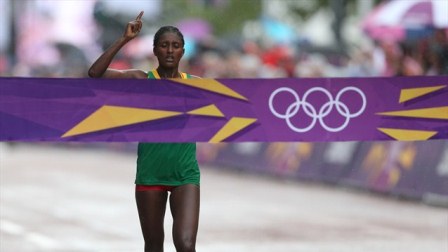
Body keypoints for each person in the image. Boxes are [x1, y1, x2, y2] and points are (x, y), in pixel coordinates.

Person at [88, 11, 200, 252]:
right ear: (155, 51)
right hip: (151, 174)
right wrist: (124, 39)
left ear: (183, 51)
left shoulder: (197, 85)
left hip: (186, 175)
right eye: (164, 46)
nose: (170, 50)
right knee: (153, 246)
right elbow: (95, 75)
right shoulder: (141, 79)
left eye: (176, 46)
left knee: (186, 244)